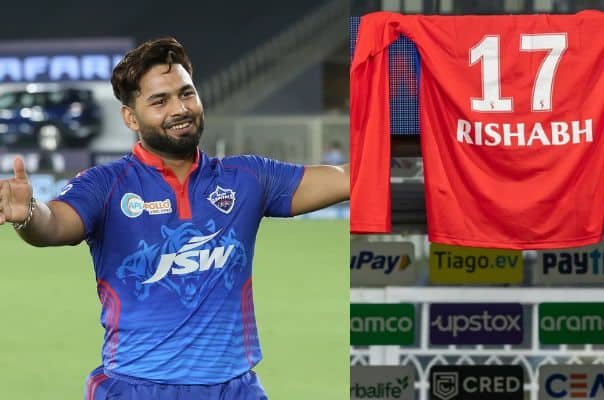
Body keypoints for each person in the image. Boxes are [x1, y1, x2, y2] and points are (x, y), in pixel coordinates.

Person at [0, 37, 349, 400]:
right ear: (131, 117)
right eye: (159, 101)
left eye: (186, 93)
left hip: (235, 390)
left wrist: (404, 153)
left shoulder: (247, 178)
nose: (179, 108)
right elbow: (54, 224)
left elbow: (346, 179)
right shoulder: (107, 185)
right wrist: (29, 213)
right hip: (137, 390)